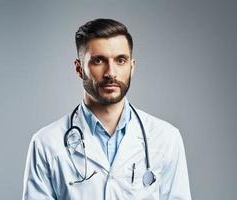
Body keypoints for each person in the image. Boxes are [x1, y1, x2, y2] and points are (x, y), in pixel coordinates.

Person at [22, 18, 192, 200]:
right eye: (98, 61)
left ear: (132, 67)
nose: (111, 72)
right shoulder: (46, 144)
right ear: (79, 68)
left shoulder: (166, 138)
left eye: (120, 60)